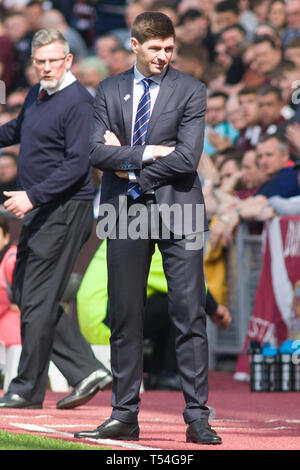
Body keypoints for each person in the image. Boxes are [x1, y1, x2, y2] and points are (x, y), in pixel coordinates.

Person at [74, 12, 222, 445]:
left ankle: (197, 417)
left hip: (180, 208)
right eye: (155, 48)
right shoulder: (109, 88)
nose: (164, 55)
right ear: (134, 46)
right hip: (124, 212)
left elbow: (188, 158)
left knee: (190, 313)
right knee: (125, 316)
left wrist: (131, 163)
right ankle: (124, 413)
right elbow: (95, 153)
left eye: (169, 48)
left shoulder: (192, 89)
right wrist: (150, 153)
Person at [0, 29, 112, 410]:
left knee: (36, 298)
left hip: (65, 210)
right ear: (33, 63)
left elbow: (78, 166)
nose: (46, 67)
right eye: (40, 61)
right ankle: (84, 371)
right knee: (28, 295)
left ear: (68, 60)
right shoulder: (35, 94)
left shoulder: (80, 102)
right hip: (43, 209)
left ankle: (28, 386)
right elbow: (18, 131)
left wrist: (32, 196)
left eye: (53, 60)